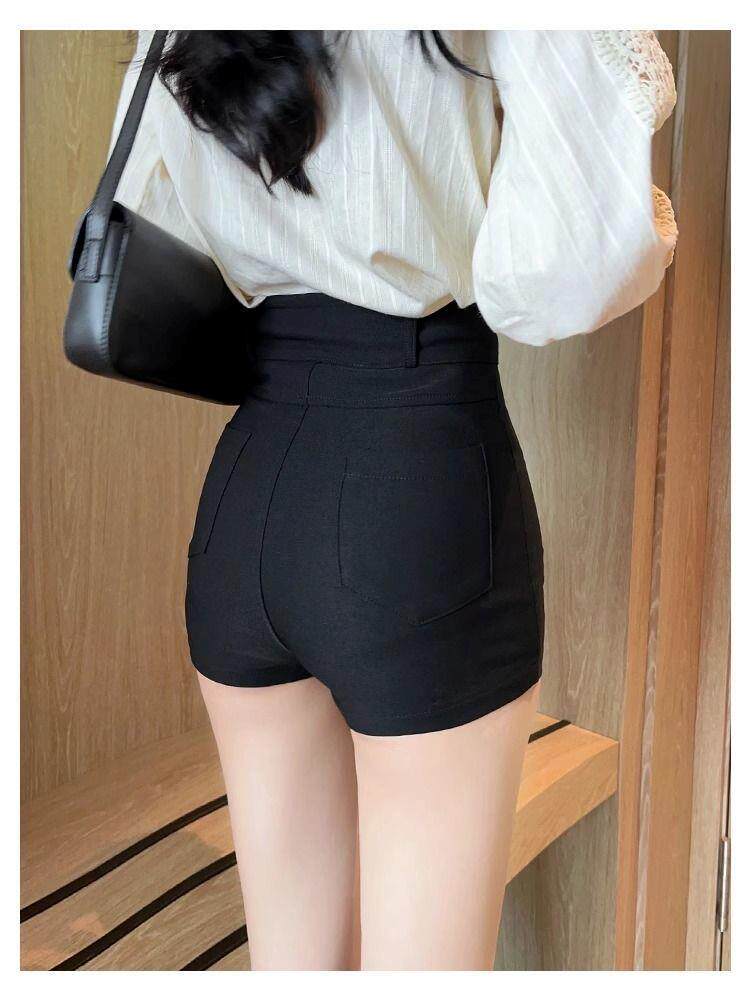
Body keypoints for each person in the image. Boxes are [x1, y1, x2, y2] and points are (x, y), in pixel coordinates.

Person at [110, 30, 677, 970]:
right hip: (416, 483)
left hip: (248, 492)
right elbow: (567, 268)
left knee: (294, 970)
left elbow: (157, 200)